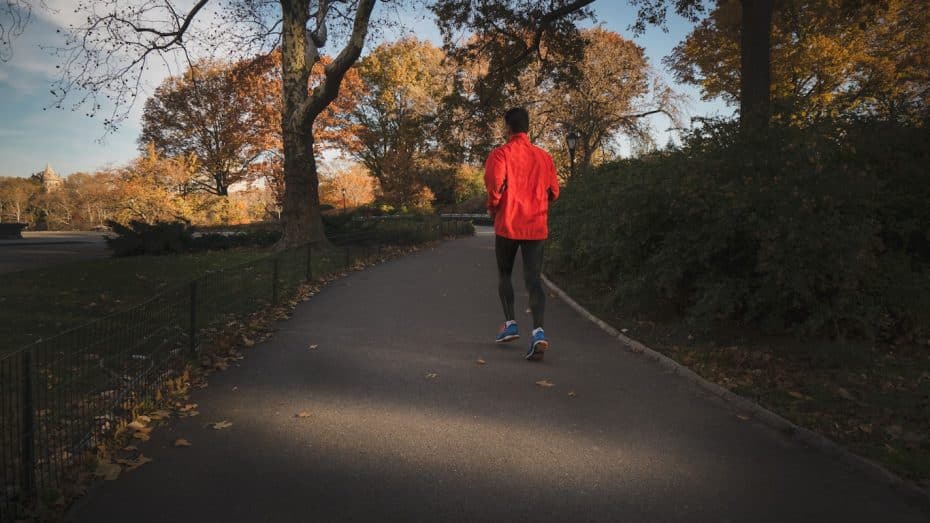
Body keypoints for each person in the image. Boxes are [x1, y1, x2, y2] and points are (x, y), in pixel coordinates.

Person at [484, 107, 560, 361]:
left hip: (508, 223)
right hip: (536, 226)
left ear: (508, 128)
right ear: (528, 127)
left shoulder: (500, 154)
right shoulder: (545, 157)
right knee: (534, 280)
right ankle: (538, 332)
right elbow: (554, 192)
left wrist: (494, 209)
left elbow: (494, 187)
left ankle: (511, 324)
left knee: (504, 273)